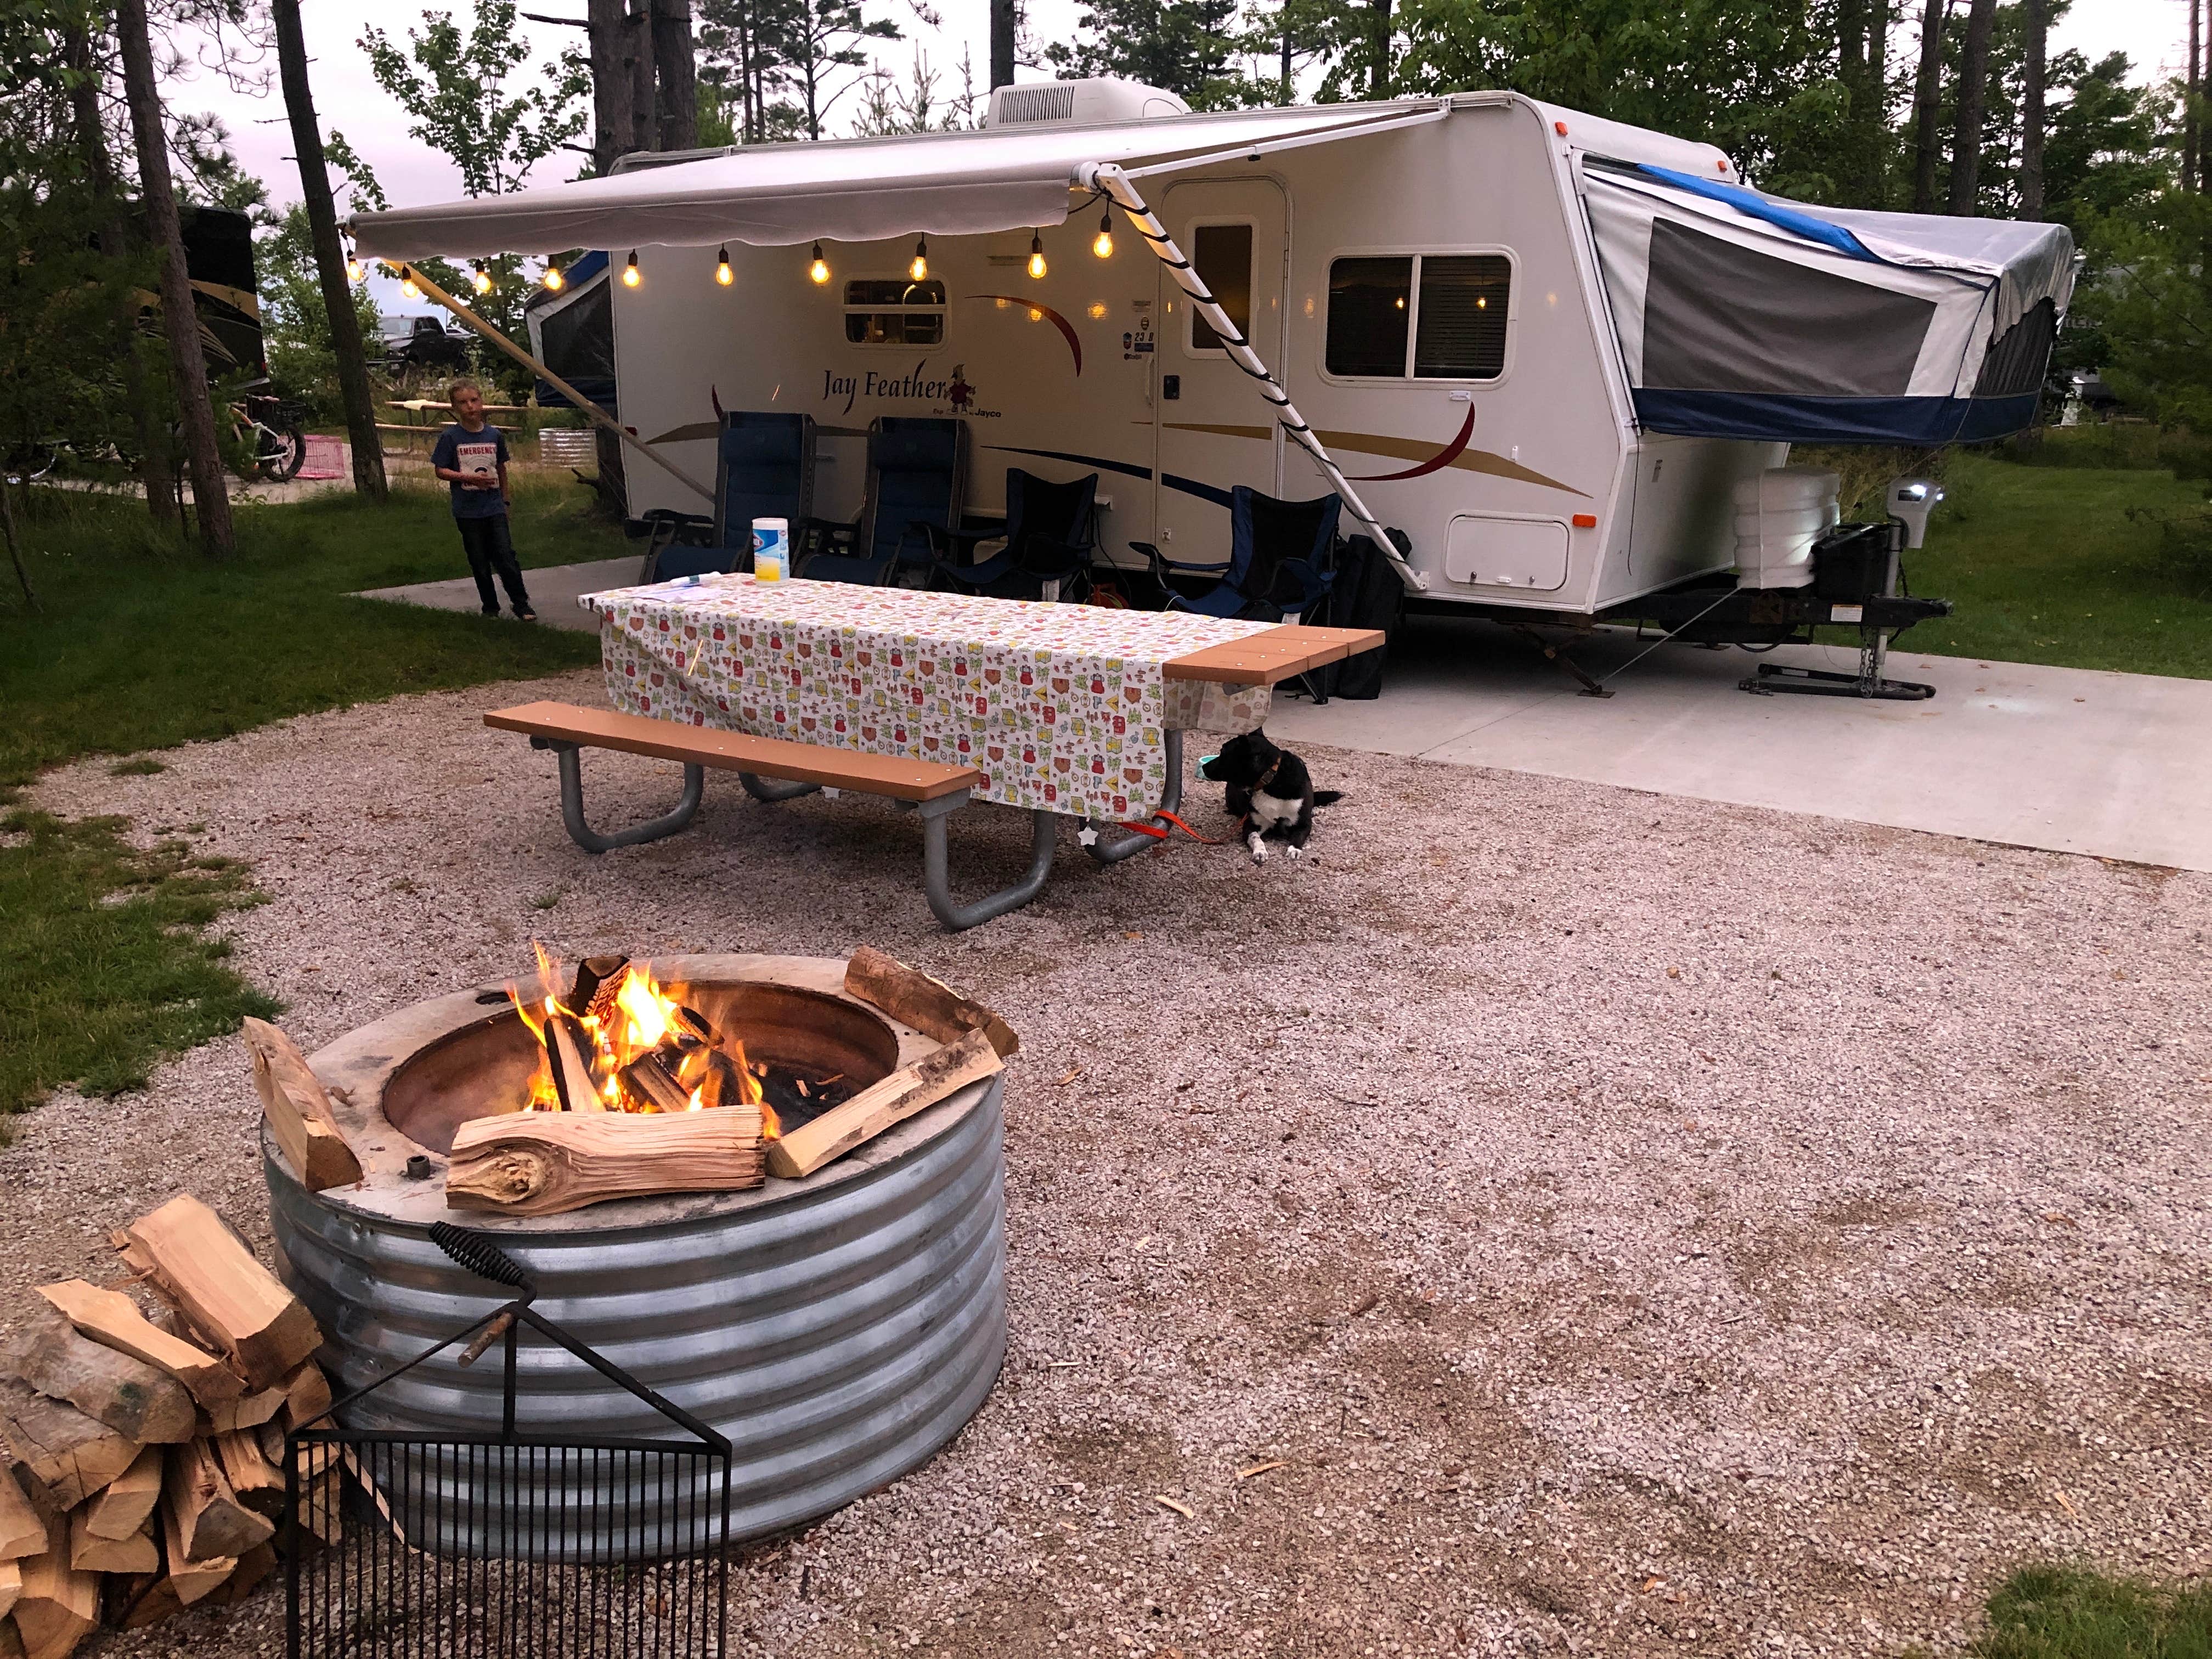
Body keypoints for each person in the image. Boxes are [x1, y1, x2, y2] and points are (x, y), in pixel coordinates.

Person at [431, 378, 536, 620]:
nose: (470, 407)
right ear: (455, 407)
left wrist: (506, 501)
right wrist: (467, 478)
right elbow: (440, 470)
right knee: (479, 560)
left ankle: (521, 604)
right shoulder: (451, 437)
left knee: (505, 555)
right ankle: (490, 607)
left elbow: (501, 469)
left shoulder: (494, 435)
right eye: (463, 403)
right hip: (467, 510)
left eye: (474, 400)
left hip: (494, 506)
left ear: (482, 402)